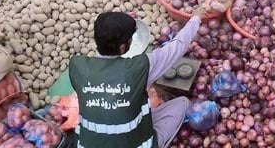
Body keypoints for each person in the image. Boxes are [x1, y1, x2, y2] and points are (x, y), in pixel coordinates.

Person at [69, 9, 204, 148]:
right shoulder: (138, 68)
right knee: (182, 103)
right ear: (122, 47)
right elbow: (176, 47)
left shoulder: (77, 66)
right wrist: (196, 18)